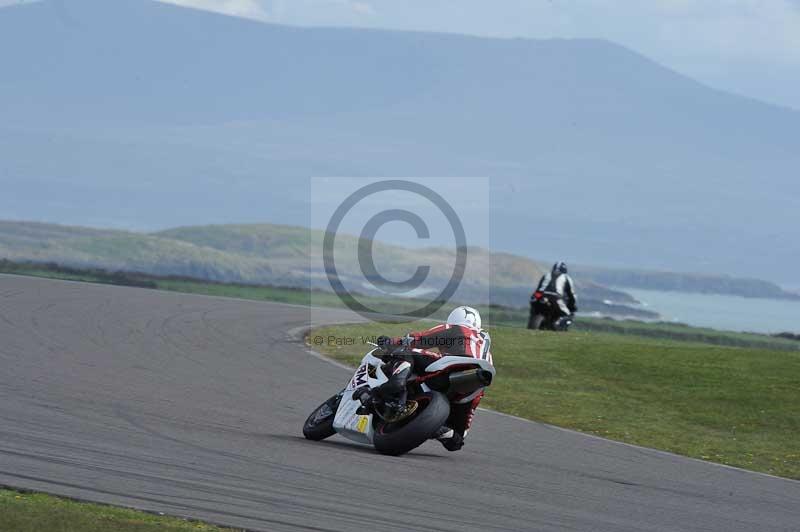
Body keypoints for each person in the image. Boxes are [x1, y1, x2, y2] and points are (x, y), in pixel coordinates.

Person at [352, 306, 492, 452]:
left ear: (454, 319)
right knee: (457, 439)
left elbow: (417, 340)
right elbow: (455, 444)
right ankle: (442, 430)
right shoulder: (485, 341)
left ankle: (397, 382)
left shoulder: (454, 328)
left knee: (404, 351)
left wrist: (391, 342)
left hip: (452, 366)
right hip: (477, 384)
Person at [529, 261, 578, 328]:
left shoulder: (546, 275)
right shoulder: (566, 277)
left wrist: (534, 299)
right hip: (555, 298)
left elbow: (539, 289)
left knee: (534, 305)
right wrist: (573, 307)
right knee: (568, 314)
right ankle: (558, 326)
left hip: (540, 295)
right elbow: (572, 295)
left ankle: (534, 316)